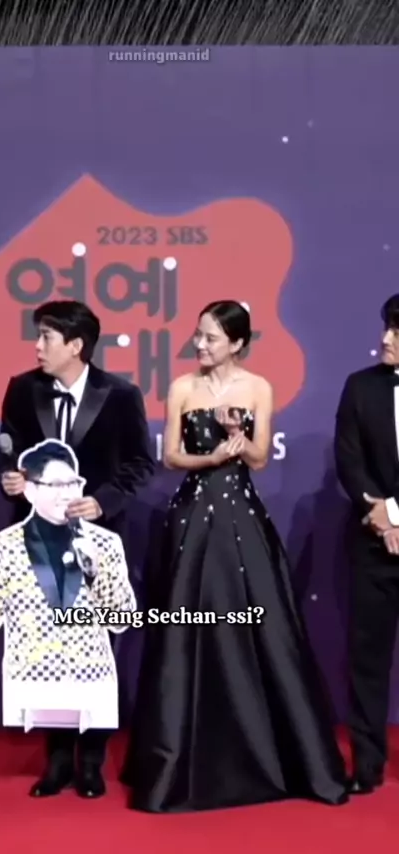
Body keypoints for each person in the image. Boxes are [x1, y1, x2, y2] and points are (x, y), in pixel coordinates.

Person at [121, 299, 348, 813]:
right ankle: (175, 759)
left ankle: (277, 756)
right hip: (192, 515)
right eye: (198, 335)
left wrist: (236, 437)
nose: (200, 345)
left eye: (211, 338)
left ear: (238, 343)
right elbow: (171, 456)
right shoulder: (183, 387)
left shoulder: (258, 388)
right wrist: (209, 457)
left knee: (263, 626)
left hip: (241, 517)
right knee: (185, 628)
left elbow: (260, 457)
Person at [0, 300, 155, 797]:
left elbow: (140, 463)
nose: (38, 346)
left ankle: (92, 761)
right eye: (38, 336)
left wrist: (102, 501)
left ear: (76, 345)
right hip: (40, 538)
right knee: (50, 643)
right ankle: (58, 759)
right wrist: (12, 480)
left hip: (98, 539)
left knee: (96, 645)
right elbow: (9, 451)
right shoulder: (23, 389)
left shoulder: (120, 395)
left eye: (47, 337)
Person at [0, 439, 136, 797]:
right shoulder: (3, 547)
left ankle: (91, 765)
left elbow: (121, 618)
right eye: (56, 485)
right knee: (54, 697)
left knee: (94, 696)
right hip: (37, 668)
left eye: (73, 483)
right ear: (29, 490)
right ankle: (58, 764)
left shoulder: (104, 543)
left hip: (90, 666)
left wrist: (95, 573)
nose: (67, 493)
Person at [334, 293, 399, 795]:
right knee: (367, 661)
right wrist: (380, 516)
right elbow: (349, 459)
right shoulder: (361, 387)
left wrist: (396, 514)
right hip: (373, 546)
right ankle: (367, 764)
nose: (385, 338)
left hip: (388, 522)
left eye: (396, 331)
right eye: (387, 327)